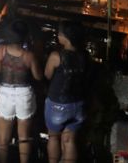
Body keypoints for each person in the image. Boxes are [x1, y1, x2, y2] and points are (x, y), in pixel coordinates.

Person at [0, 20, 43, 163]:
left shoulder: (0, 50)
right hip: (24, 95)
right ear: (24, 36)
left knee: (3, 139)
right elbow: (38, 77)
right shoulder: (29, 56)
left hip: (5, 94)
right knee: (24, 137)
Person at [44, 21, 87, 163]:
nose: (58, 35)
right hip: (79, 105)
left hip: (58, 105)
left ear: (66, 37)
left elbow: (47, 75)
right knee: (70, 140)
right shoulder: (85, 57)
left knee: (54, 137)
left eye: (60, 33)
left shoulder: (57, 56)